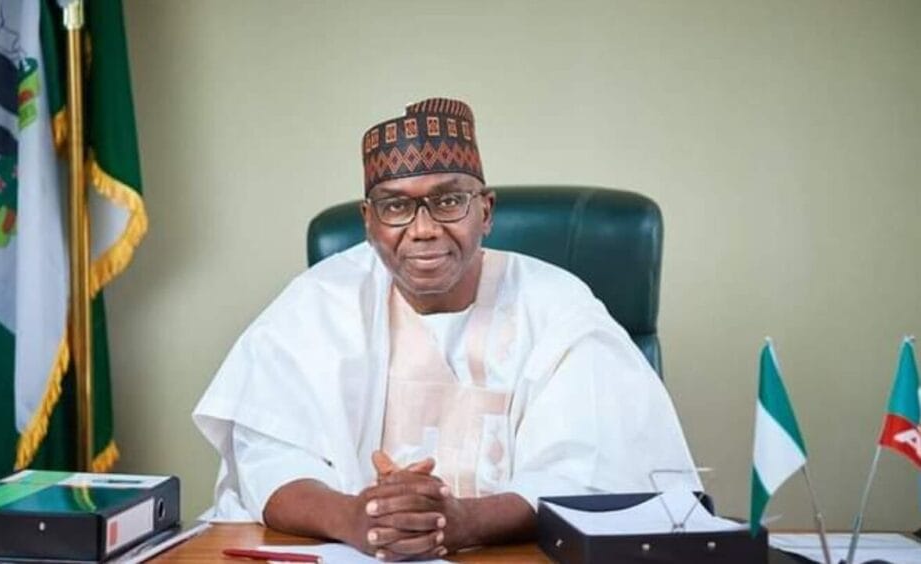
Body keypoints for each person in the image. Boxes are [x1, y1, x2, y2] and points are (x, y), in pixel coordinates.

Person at [193, 97, 700, 561]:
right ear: (368, 221)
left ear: (486, 211)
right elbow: (269, 459)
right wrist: (354, 516)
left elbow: (591, 476)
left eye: (449, 201)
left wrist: (461, 521)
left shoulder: (559, 306)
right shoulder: (318, 301)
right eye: (395, 206)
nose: (424, 229)